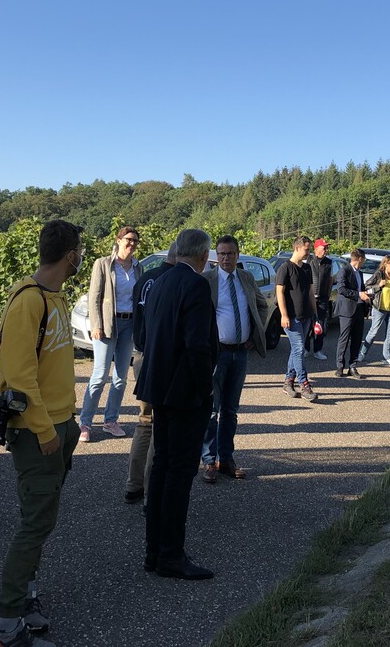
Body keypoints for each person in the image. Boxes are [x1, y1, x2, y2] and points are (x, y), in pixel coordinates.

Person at [0, 220, 84, 647]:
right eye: (78, 251)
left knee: (41, 521)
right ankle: (4, 627)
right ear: (69, 256)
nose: (79, 256)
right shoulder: (29, 302)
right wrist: (45, 431)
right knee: (34, 525)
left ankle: (26, 597)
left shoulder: (56, 298)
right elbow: (18, 376)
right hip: (37, 431)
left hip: (61, 424)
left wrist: (69, 423)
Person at [134, 228, 219, 580]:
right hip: (185, 394)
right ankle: (170, 554)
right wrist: (205, 391)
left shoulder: (160, 281)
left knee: (162, 472)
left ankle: (155, 551)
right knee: (179, 475)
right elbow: (198, 347)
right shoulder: (195, 285)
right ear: (202, 256)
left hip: (159, 388)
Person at [200, 234, 269, 482]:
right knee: (211, 410)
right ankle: (209, 461)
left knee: (231, 410)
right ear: (215, 256)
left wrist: (255, 331)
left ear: (237, 255)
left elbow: (263, 305)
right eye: (221, 254)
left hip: (240, 353)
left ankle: (226, 459)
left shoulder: (246, 278)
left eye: (230, 253)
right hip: (217, 353)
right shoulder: (207, 280)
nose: (225, 258)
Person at [124, 243, 178, 506]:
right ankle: (150, 490)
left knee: (144, 421)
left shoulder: (145, 278)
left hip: (140, 354)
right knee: (160, 423)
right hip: (160, 358)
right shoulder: (172, 281)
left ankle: (133, 485)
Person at [80, 226, 141, 440]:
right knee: (99, 375)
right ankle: (85, 423)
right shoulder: (104, 264)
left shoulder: (137, 267)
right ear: (118, 240)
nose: (131, 243)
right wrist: (95, 324)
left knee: (120, 378)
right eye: (128, 239)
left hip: (129, 323)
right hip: (108, 324)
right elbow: (94, 296)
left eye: (135, 240)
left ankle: (110, 420)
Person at [275, 235, 317, 402]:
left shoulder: (307, 269)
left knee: (296, 350)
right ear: (297, 248)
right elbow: (280, 293)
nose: (309, 252)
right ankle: (305, 384)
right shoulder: (285, 268)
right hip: (292, 318)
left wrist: (316, 315)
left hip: (306, 316)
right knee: (299, 349)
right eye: (307, 249)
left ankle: (288, 382)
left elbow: (310, 292)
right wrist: (284, 315)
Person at [357, 255, 390, 368]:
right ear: (386, 264)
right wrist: (379, 285)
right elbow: (366, 286)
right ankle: (362, 353)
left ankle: (386, 357)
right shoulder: (379, 274)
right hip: (379, 308)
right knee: (374, 332)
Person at [334, 249, 370, 379]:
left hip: (359, 309)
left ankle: (353, 366)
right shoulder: (344, 271)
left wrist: (366, 294)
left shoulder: (359, 273)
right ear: (359, 259)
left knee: (357, 339)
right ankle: (339, 366)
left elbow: (360, 289)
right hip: (346, 310)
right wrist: (359, 294)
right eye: (364, 259)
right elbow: (341, 289)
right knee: (344, 338)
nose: (364, 261)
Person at [307, 238, 334, 361]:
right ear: (316, 249)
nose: (326, 250)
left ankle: (318, 350)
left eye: (326, 248)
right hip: (309, 298)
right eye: (324, 248)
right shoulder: (309, 261)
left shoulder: (329, 262)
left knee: (321, 325)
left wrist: (327, 295)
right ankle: (306, 349)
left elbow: (330, 280)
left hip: (322, 298)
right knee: (307, 324)